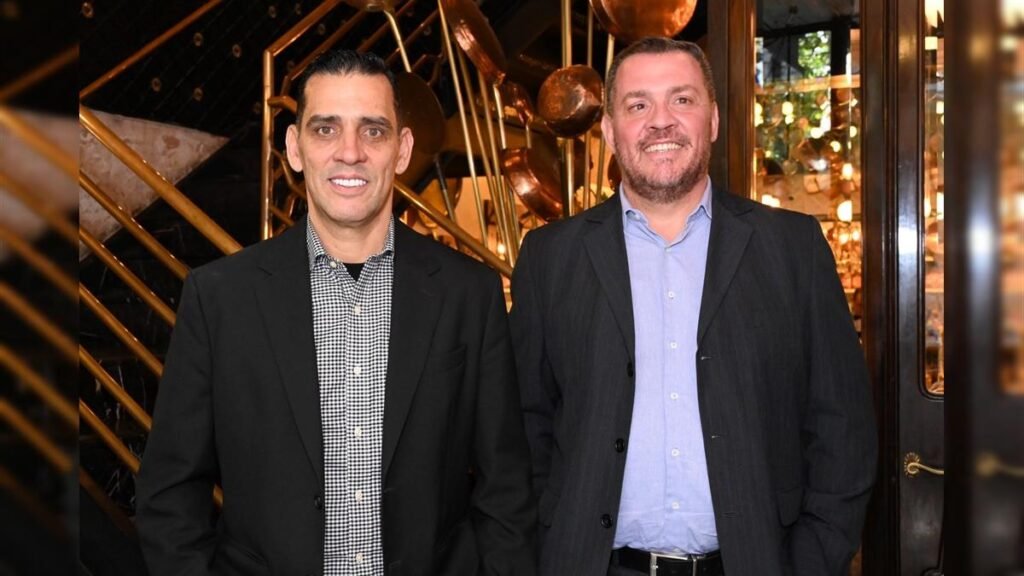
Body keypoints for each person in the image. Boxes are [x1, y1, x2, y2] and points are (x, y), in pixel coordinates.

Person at [136, 49, 536, 576]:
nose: (350, 152)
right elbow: (169, 495)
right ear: (294, 148)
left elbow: (506, 491)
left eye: (373, 131)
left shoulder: (470, 294)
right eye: (326, 129)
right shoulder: (219, 298)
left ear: (402, 150)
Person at [509, 37, 876, 576]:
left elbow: (842, 428)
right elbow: (521, 431)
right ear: (609, 130)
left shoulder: (792, 249)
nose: (661, 121)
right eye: (638, 105)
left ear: (714, 120)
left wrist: (811, 560)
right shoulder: (549, 258)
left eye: (681, 100)